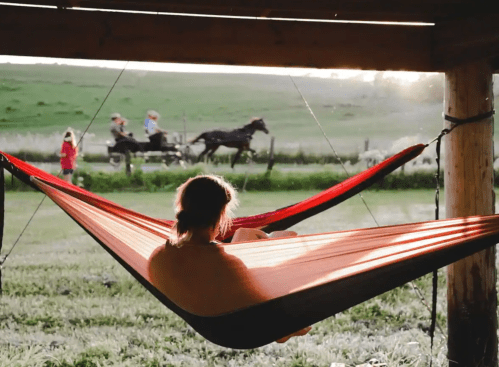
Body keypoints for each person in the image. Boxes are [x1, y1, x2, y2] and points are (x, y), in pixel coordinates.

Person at [148, 175, 311, 343]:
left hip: (206, 307)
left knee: (243, 235)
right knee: (280, 251)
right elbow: (252, 300)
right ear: (220, 215)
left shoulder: (157, 257)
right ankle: (285, 327)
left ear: (182, 205)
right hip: (235, 327)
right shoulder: (227, 264)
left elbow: (197, 264)